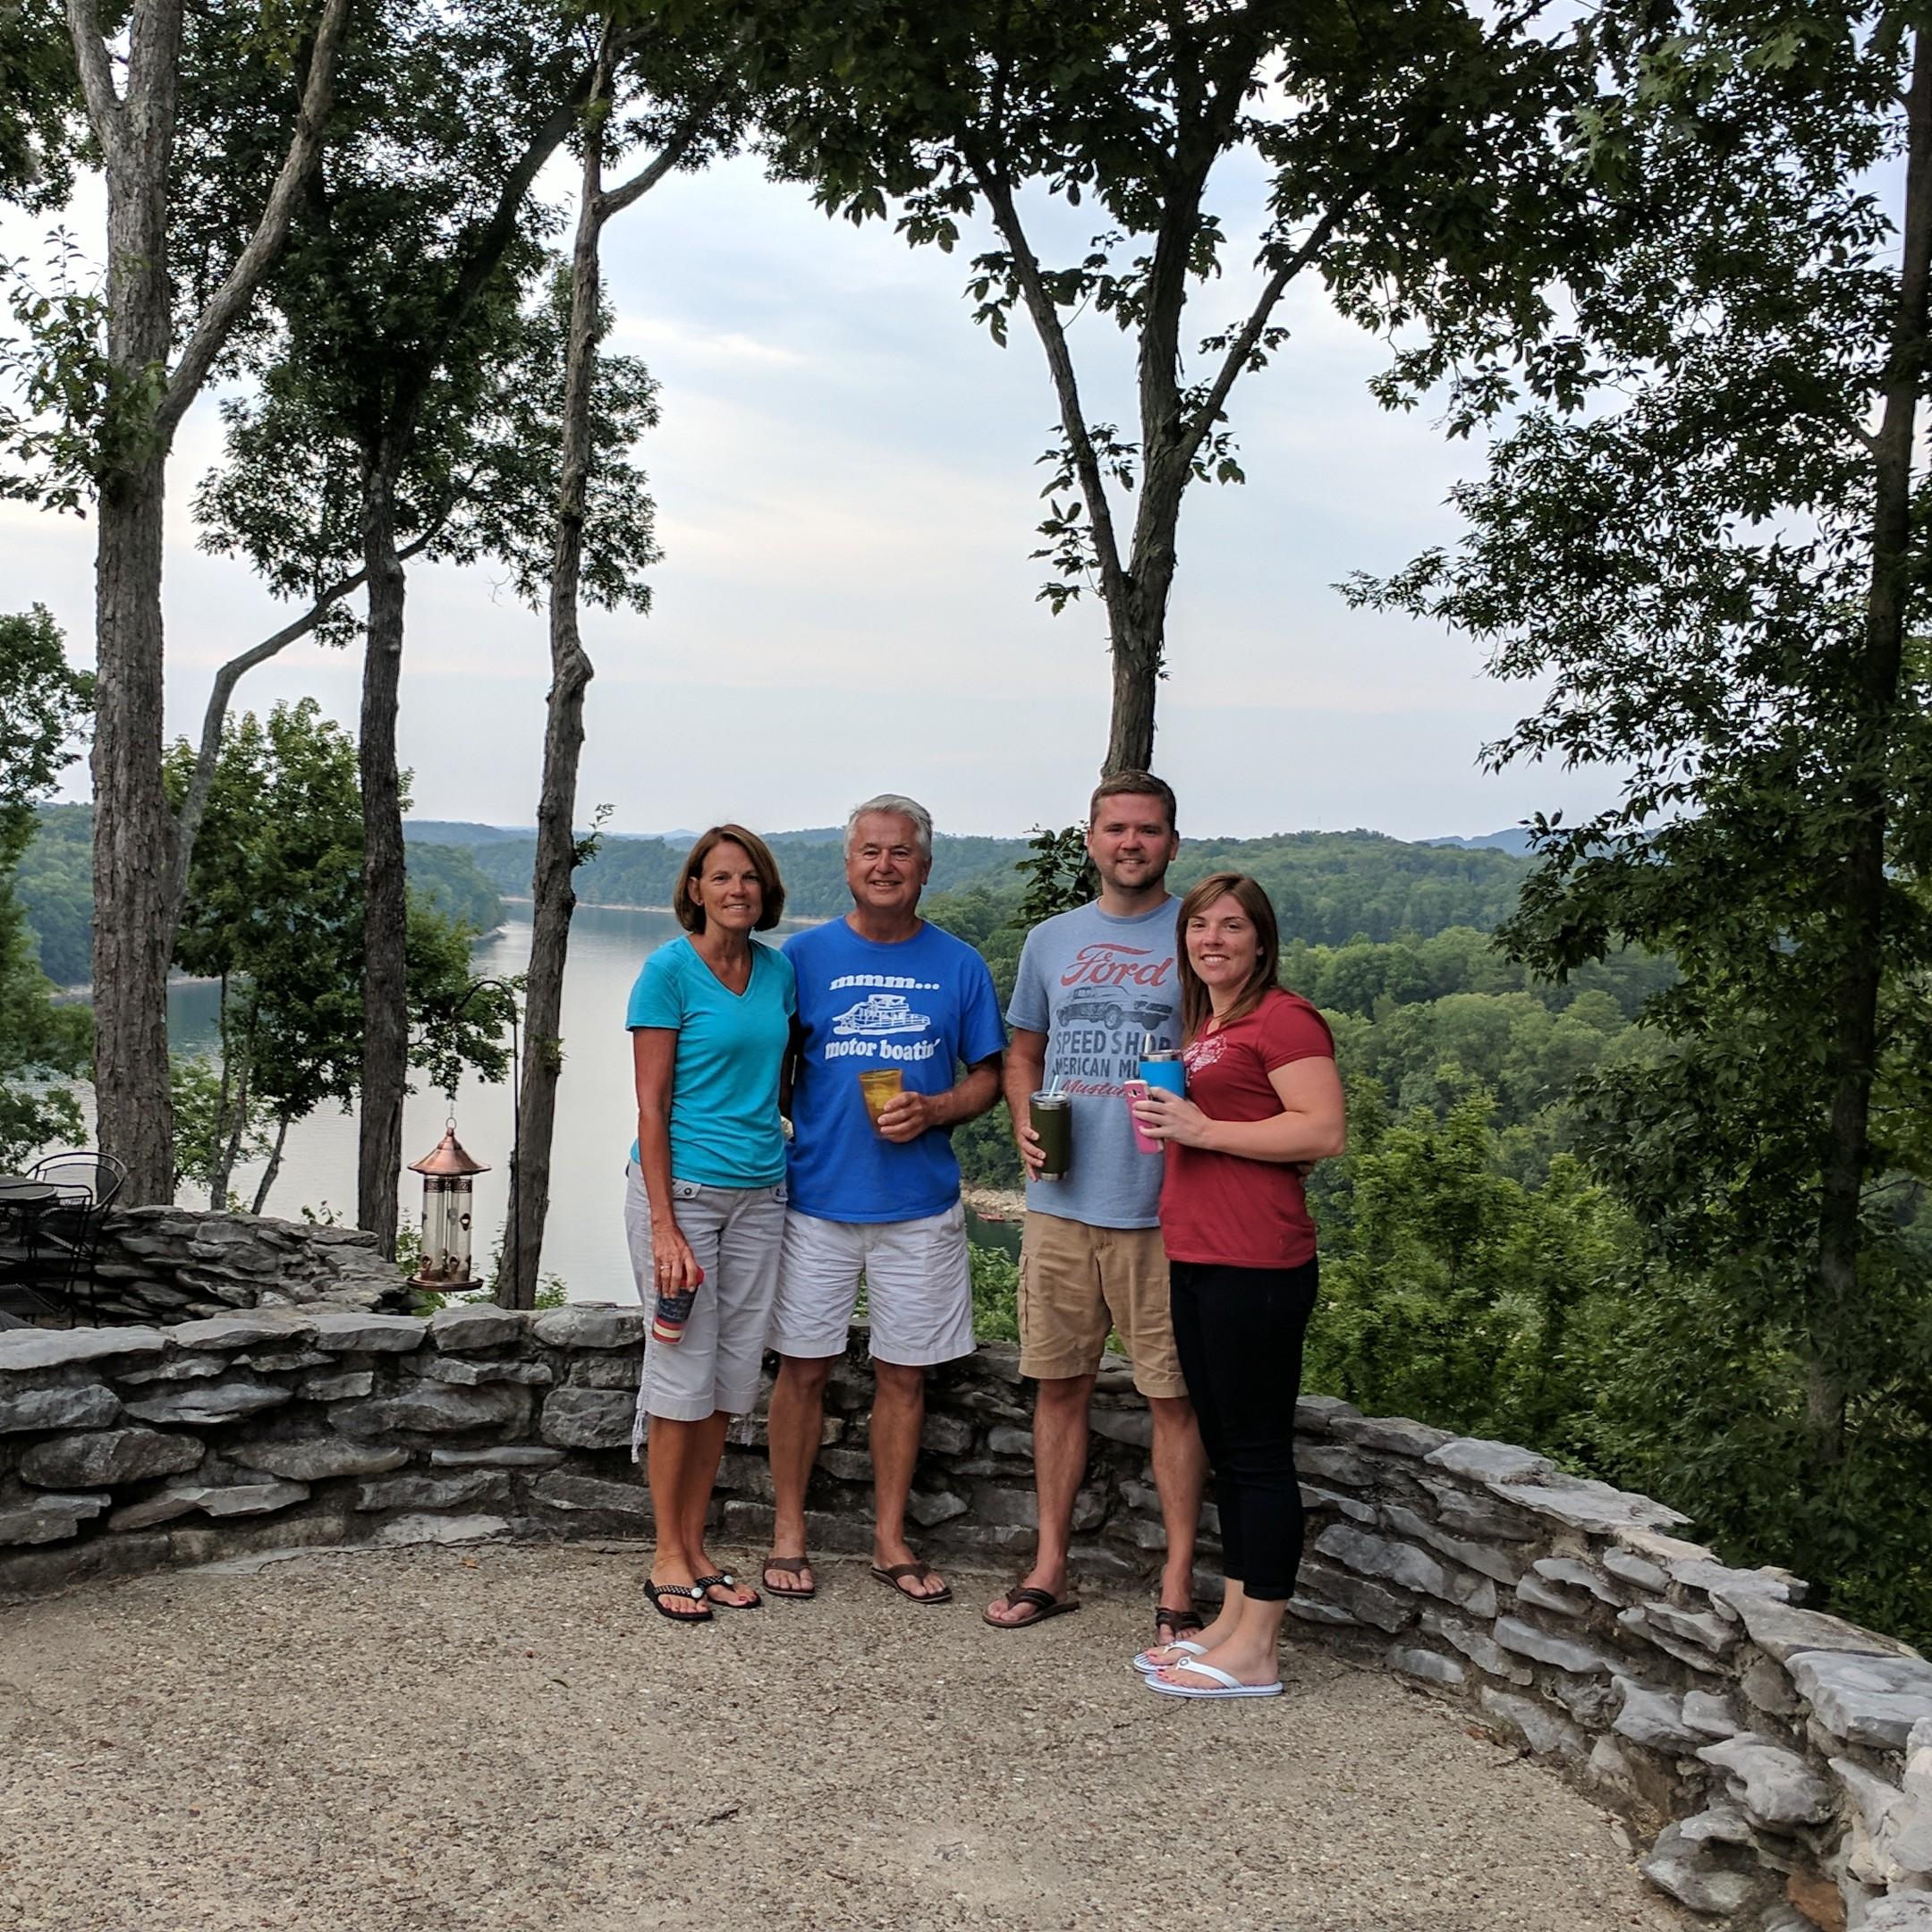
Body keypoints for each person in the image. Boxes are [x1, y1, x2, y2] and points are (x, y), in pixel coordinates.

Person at [761, 794, 1006, 1606]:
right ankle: (788, 1534)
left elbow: (990, 1079)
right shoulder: (803, 960)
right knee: (802, 1372)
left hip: (921, 1208)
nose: (885, 865)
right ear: (848, 865)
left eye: (900, 853)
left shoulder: (961, 965)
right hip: (816, 1200)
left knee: (907, 1379)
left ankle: (890, 1539)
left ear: (926, 867)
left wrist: (934, 1109)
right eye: (870, 852)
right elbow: (770, 1063)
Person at [984, 772, 1208, 1642]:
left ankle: (1178, 1585)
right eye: (1116, 829)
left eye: (1147, 831)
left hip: (1163, 1207)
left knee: (1173, 1399)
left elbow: (1226, 1050)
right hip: (1062, 1203)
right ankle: (1051, 1567)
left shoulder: (1198, 935)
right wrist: (1021, 1125)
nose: (1131, 844)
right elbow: (1021, 1052)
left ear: (1172, 844)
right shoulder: (1050, 941)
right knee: (1058, 1389)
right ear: (1091, 840)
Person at [1130, 871, 1345, 1699]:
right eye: (1198, 927)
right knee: (1227, 1449)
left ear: (1261, 939)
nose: (1211, 940)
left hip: (1258, 1261)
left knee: (1257, 1455)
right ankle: (1229, 1622)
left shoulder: (1283, 1017)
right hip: (1201, 1253)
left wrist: (1201, 1126)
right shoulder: (1210, 1022)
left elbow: (1323, 1131)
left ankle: (1259, 1650)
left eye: (1230, 927)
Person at [625, 825, 796, 1623]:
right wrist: (664, 1228)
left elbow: (779, 1083)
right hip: (683, 1197)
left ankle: (697, 1547)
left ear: (765, 891)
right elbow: (652, 1109)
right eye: (720, 877)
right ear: (695, 888)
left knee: (729, 1379)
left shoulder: (778, 971)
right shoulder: (667, 972)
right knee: (681, 1376)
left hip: (762, 1197)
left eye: (749, 878)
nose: (737, 890)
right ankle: (665, 1552)